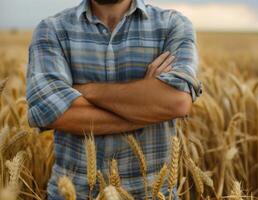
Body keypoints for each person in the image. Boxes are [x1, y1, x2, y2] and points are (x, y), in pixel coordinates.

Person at [26, 0, 203, 199]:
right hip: (72, 194)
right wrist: (147, 105)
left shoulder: (172, 24)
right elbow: (51, 112)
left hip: (154, 194)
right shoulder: (51, 30)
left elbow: (177, 101)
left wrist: (85, 91)